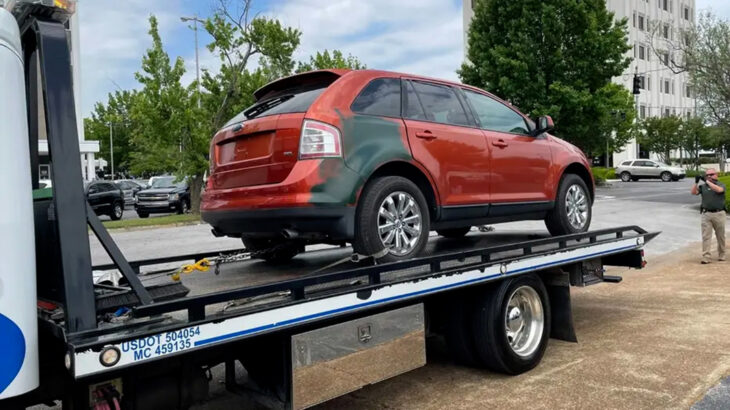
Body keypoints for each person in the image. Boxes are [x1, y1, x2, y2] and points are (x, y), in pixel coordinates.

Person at [691, 168, 726, 264]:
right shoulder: (703, 186)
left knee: (720, 236)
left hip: (719, 214)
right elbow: (693, 192)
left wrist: (707, 181)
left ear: (716, 175)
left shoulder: (720, 184)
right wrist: (696, 182)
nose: (709, 176)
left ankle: (722, 254)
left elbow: (719, 190)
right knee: (706, 236)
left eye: (711, 174)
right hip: (706, 214)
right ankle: (706, 256)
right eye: (707, 175)